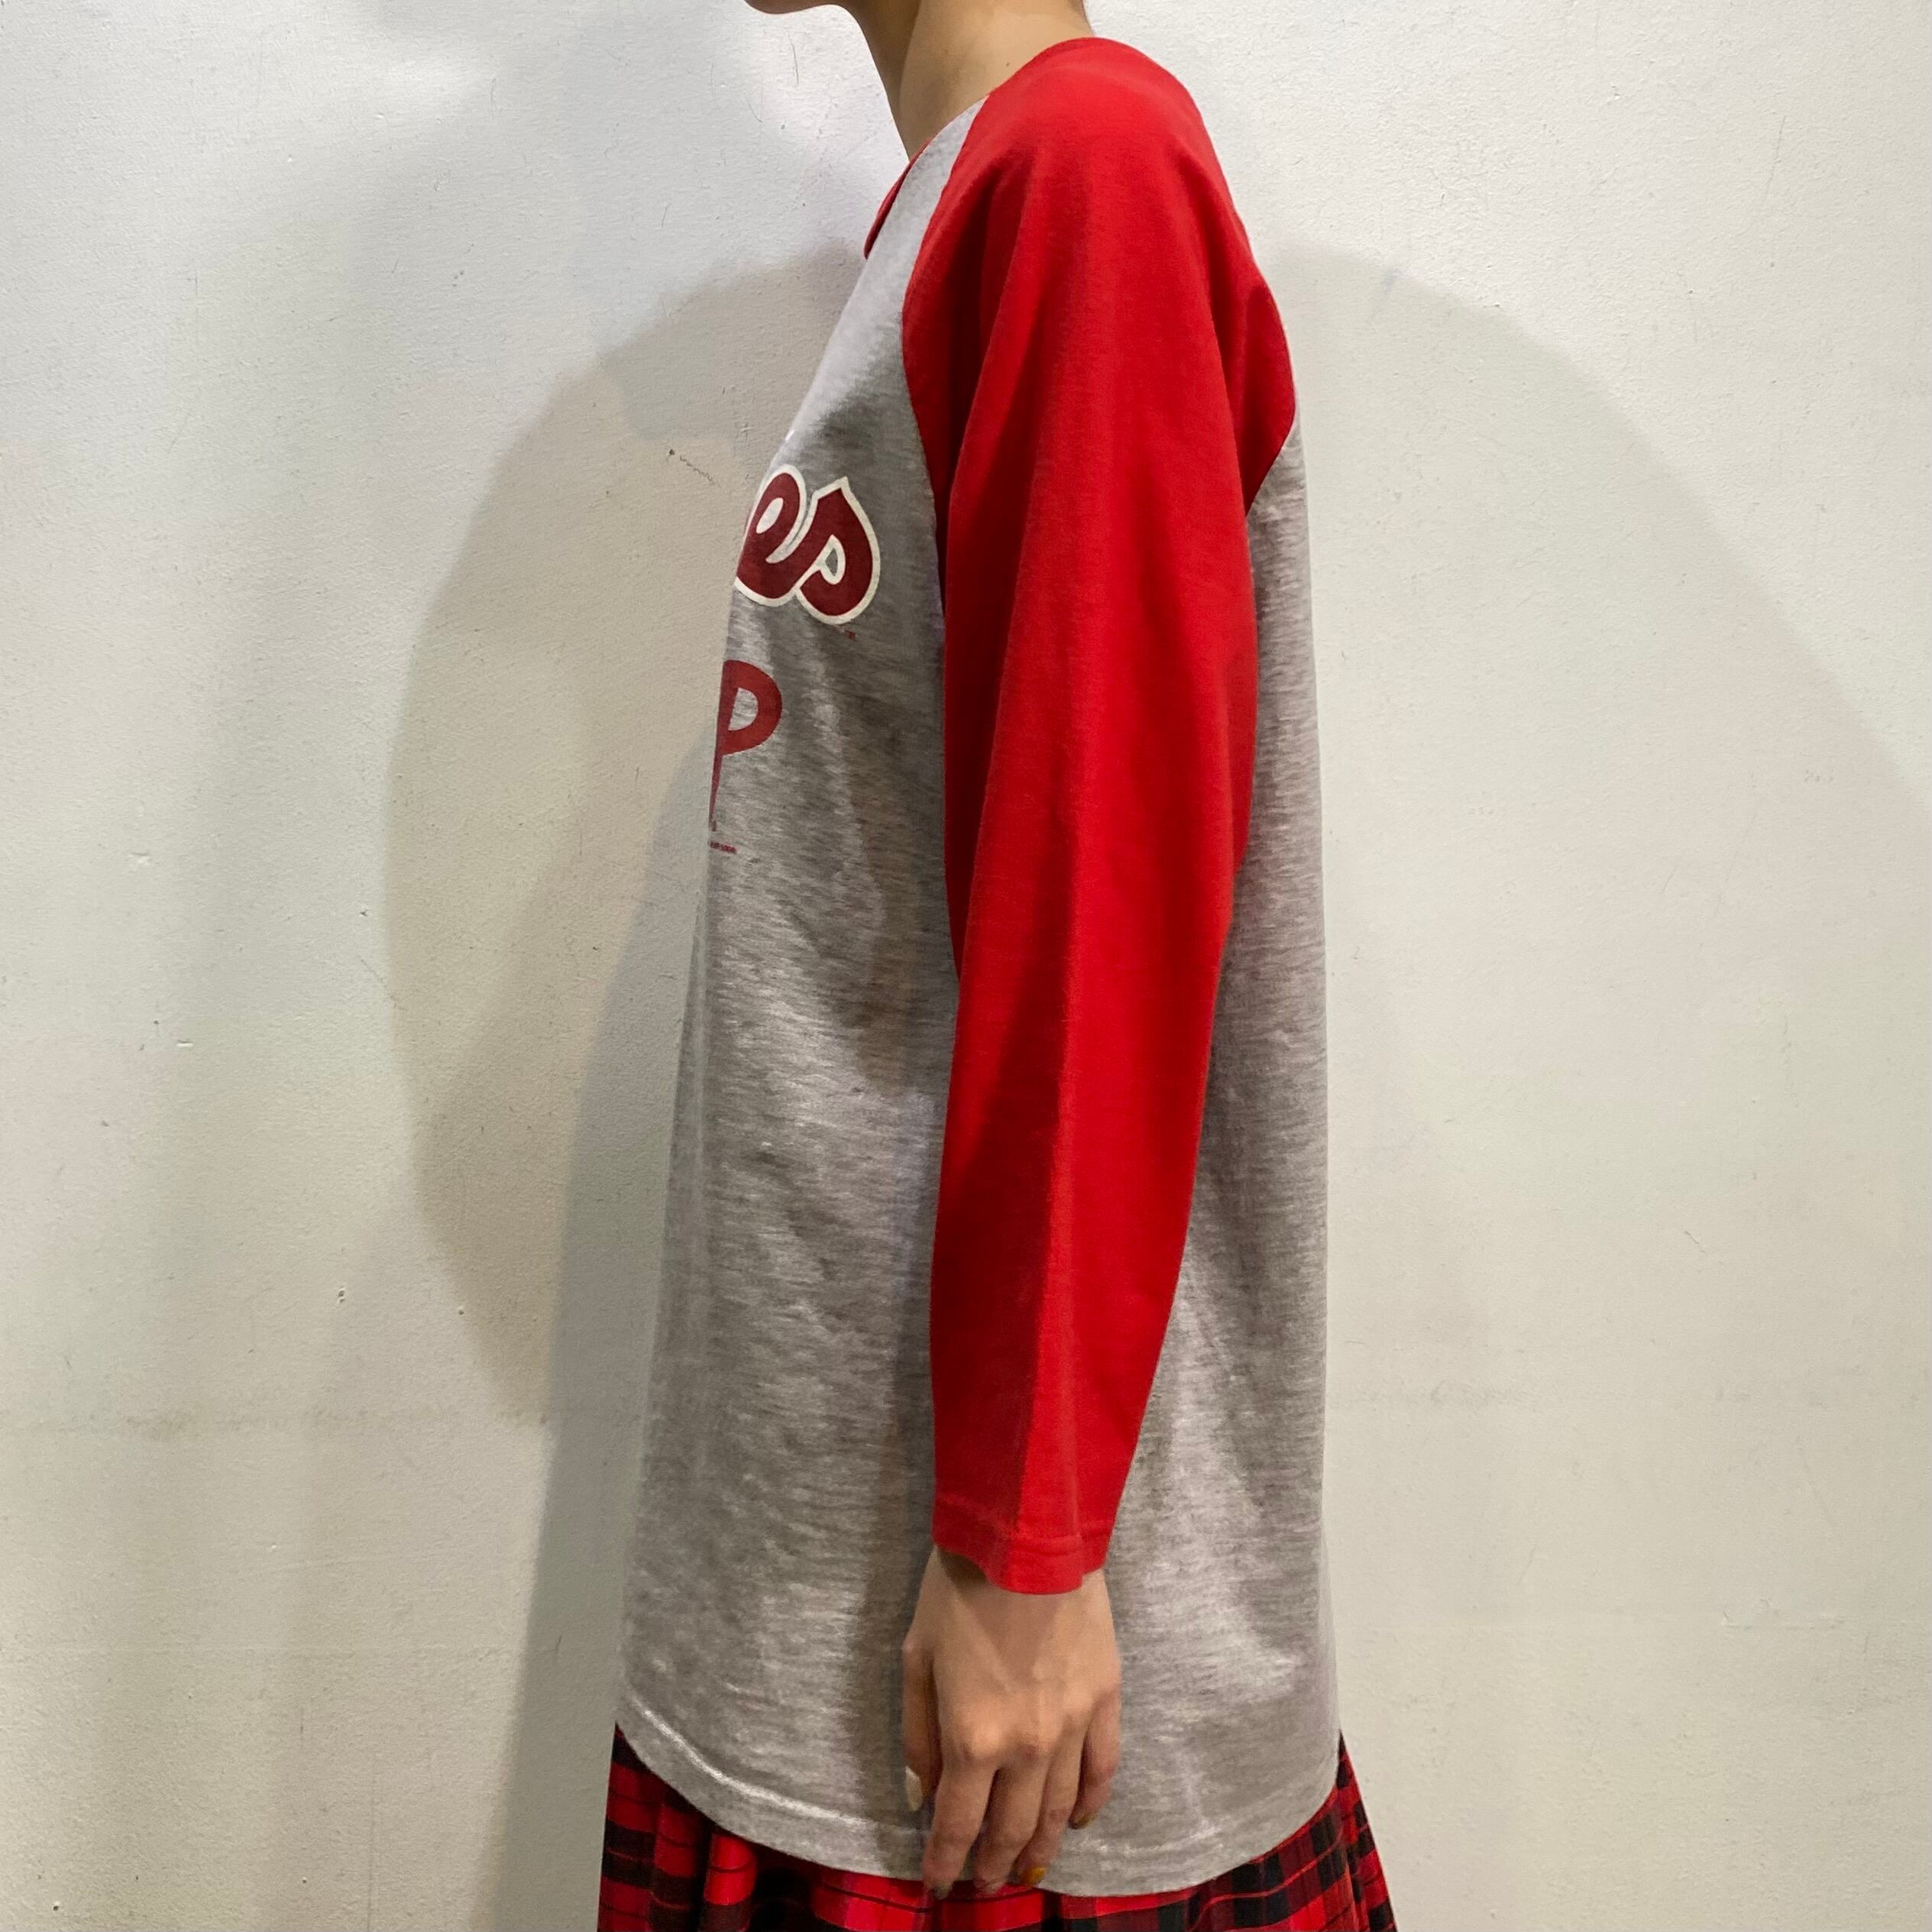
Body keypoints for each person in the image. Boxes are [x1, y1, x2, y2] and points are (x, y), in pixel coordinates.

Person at [601, 2, 1395, 1928]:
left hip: (982, 1695)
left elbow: (1099, 878)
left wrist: (1021, 1545)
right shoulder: (960, 204)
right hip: (843, 1600)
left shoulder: (1081, 171)